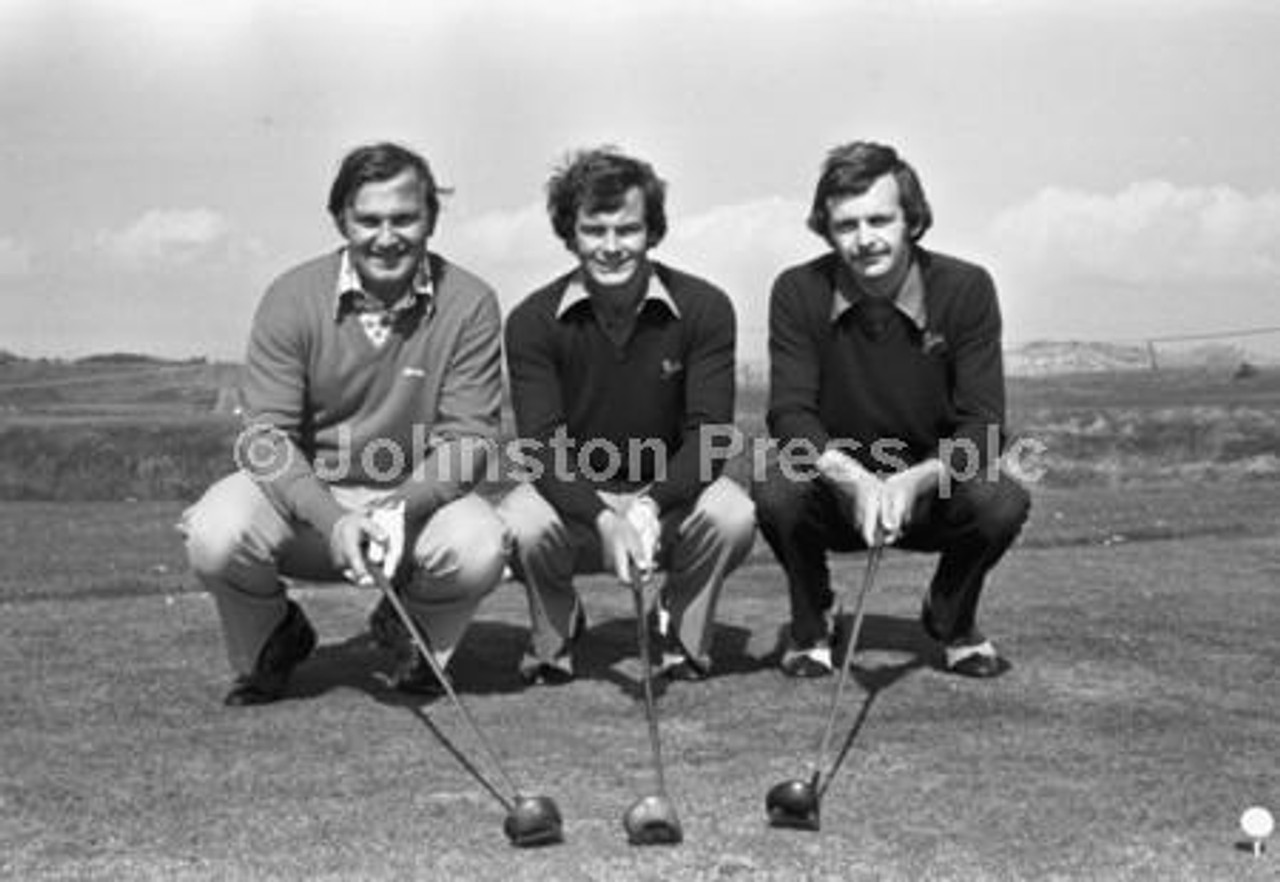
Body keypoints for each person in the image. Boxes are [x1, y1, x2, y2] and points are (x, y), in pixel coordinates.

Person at [182, 142, 508, 706]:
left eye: (404, 218)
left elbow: (470, 438)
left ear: (430, 217)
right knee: (215, 534)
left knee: (481, 543)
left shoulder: (472, 301)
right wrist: (333, 519)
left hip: (412, 506)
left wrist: (399, 506)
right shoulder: (291, 295)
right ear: (341, 220)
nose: (387, 237)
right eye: (369, 220)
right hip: (307, 504)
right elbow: (266, 441)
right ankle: (274, 637)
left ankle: (410, 630)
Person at [753, 141, 1030, 679]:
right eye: (846, 225)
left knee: (1000, 497)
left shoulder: (967, 288)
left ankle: (950, 618)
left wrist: (913, 481)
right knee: (777, 489)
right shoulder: (797, 290)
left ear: (911, 219)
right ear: (826, 229)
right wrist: (854, 480)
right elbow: (789, 416)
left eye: (880, 219)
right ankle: (813, 624)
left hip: (930, 492)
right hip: (835, 490)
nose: (864, 239)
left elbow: (983, 425)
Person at [498, 147, 756, 685]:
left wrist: (646, 507)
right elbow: (542, 447)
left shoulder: (705, 307)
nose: (612, 247)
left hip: (668, 499)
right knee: (518, 523)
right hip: (576, 503)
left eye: (628, 229)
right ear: (570, 234)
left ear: (653, 231)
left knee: (732, 514)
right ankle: (556, 634)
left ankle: (680, 636)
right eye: (594, 230)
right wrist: (604, 517)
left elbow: (709, 438)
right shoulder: (532, 321)